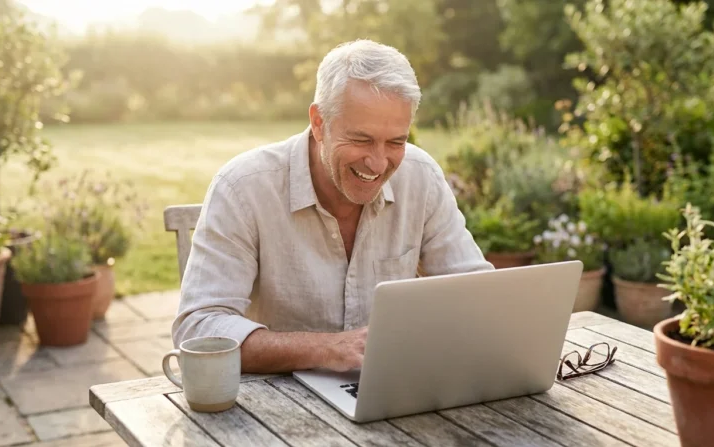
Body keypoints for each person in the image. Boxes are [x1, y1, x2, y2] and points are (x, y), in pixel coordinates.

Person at [172, 39, 494, 374]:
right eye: (361, 139)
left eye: (397, 142)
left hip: (389, 391)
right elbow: (197, 330)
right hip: (275, 401)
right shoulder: (242, 187)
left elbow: (478, 294)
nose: (378, 163)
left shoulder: (421, 176)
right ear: (319, 122)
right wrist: (326, 349)